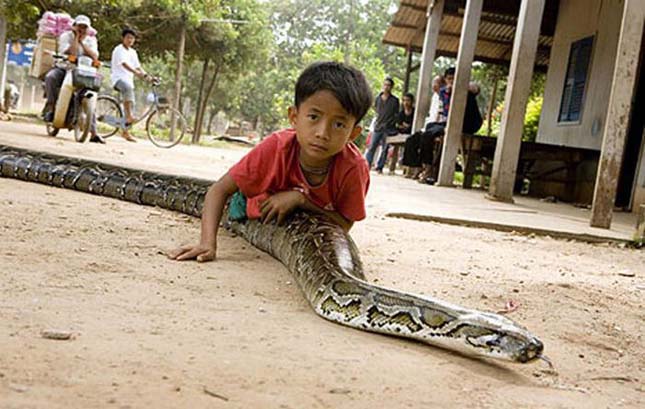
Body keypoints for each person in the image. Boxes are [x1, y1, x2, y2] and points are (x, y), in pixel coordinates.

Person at [169, 61, 373, 262]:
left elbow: (344, 225)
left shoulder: (354, 168)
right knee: (240, 203)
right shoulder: (277, 147)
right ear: (294, 116)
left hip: (299, 213)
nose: (322, 133)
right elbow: (218, 190)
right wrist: (207, 243)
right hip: (257, 203)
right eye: (313, 117)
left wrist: (300, 199)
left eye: (338, 124)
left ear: (353, 133)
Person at [42, 15, 103, 143]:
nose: (81, 29)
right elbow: (72, 53)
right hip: (64, 69)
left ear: (88, 28)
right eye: (79, 26)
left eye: (84, 27)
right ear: (74, 26)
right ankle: (51, 108)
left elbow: (94, 56)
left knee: (91, 96)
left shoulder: (92, 40)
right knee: (50, 77)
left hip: (83, 72)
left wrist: (81, 42)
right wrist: (76, 38)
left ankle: (93, 133)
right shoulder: (66, 36)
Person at [110, 27, 152, 142]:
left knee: (131, 104)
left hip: (129, 81)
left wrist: (147, 76)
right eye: (128, 37)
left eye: (132, 38)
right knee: (128, 90)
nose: (130, 40)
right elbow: (124, 64)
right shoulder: (118, 50)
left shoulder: (133, 52)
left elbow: (138, 67)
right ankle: (129, 117)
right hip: (118, 79)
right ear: (123, 38)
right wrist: (136, 73)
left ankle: (126, 132)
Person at [364, 77, 399, 174]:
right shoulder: (378, 98)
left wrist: (391, 123)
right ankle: (367, 165)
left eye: (389, 85)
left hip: (388, 128)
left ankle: (380, 167)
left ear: (391, 87)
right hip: (378, 126)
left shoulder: (395, 100)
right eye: (385, 85)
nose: (386, 87)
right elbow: (376, 111)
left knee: (385, 148)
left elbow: (396, 114)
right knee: (372, 147)